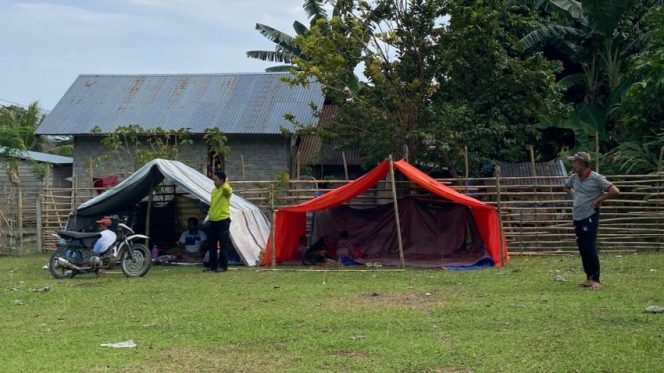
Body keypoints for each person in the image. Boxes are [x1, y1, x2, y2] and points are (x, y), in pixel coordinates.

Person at [564, 152, 620, 290]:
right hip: (577, 216)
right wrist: (575, 197)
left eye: (575, 162)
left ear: (582, 163)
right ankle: (588, 278)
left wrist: (598, 200)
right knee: (582, 247)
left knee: (589, 246)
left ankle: (596, 279)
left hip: (589, 215)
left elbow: (615, 191)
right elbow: (566, 187)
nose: (573, 164)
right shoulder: (574, 177)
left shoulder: (596, 178)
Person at [204, 171, 234, 273]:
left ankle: (223, 266)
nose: (214, 182)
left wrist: (226, 182)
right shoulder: (213, 191)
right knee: (211, 244)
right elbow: (213, 205)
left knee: (223, 244)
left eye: (216, 180)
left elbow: (226, 189)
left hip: (223, 220)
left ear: (222, 180)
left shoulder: (227, 189)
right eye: (214, 180)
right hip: (213, 220)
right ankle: (213, 266)